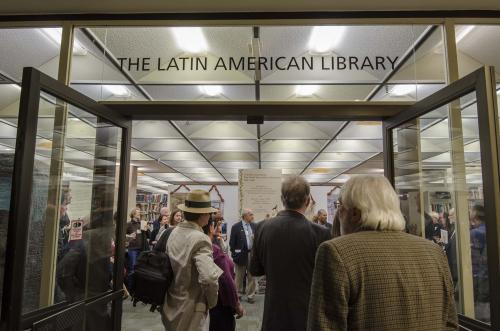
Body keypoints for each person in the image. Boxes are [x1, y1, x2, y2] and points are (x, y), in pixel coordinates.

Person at [307, 175, 458, 331]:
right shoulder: (434, 252)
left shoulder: (336, 252)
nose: (339, 213)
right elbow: (451, 324)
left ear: (354, 213)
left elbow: (324, 327)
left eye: (340, 206)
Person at [249, 175, 331, 331]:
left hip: (274, 313)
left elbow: (255, 270)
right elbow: (326, 279)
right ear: (307, 201)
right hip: (307, 313)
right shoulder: (321, 233)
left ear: (282, 199)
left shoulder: (261, 227)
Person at [162, 190, 223, 331]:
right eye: (208, 213)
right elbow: (208, 278)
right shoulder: (201, 239)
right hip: (192, 307)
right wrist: (212, 302)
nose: (210, 217)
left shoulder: (173, 232)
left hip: (172, 301)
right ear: (202, 215)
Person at [202, 217, 244, 331]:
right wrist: (236, 303)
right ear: (211, 228)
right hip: (219, 301)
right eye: (217, 225)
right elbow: (226, 279)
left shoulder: (208, 245)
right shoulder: (213, 249)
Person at [229, 208, 257, 303]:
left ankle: (250, 295)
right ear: (245, 216)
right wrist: (234, 254)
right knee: (239, 276)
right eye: (251, 214)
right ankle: (238, 294)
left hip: (252, 254)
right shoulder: (236, 227)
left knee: (251, 276)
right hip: (240, 255)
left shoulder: (255, 226)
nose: (252, 216)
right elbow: (232, 243)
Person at [469, 204, 489, 322]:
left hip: (479, 274)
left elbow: (474, 258)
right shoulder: (489, 229)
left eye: (471, 210)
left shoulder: (475, 233)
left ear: (475, 214)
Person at [125, 207, 149, 289]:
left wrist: (147, 229)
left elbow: (148, 236)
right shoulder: (128, 224)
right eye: (138, 212)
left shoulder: (141, 223)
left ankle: (138, 287)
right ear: (133, 214)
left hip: (142, 248)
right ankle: (130, 287)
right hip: (133, 248)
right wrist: (129, 235)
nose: (139, 214)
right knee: (132, 268)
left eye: (139, 213)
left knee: (140, 268)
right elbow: (122, 235)